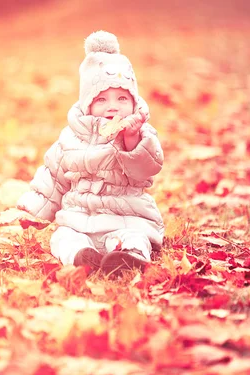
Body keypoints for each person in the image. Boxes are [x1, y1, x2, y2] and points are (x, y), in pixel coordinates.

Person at [17, 30, 165, 276]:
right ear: (87, 104)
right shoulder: (71, 138)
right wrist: (31, 209)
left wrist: (131, 140)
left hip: (126, 216)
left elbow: (148, 168)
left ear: (133, 102)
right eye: (102, 100)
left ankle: (130, 257)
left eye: (121, 98)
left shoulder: (140, 135)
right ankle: (83, 259)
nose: (113, 107)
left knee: (135, 236)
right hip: (79, 219)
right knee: (62, 237)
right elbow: (53, 178)